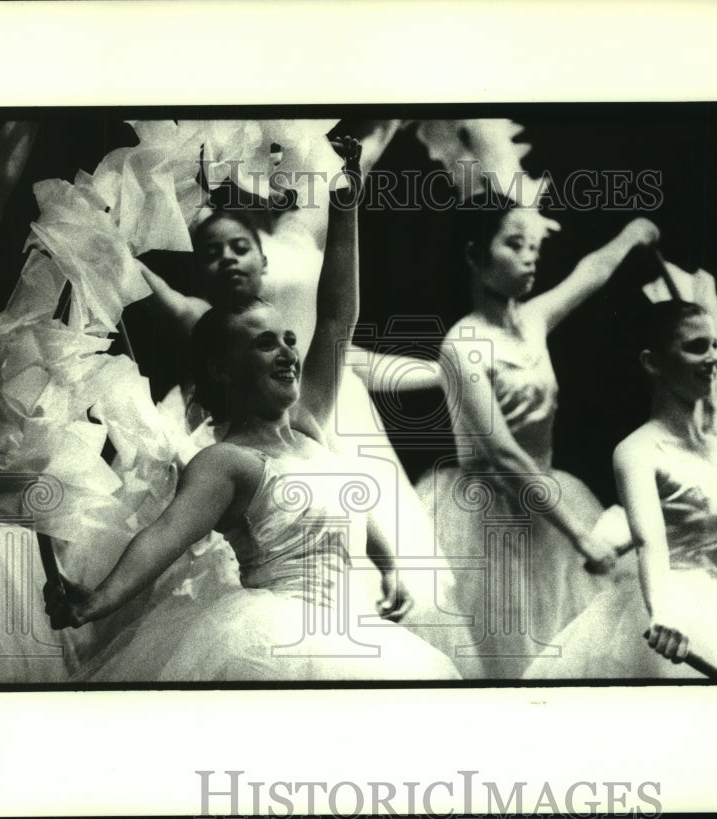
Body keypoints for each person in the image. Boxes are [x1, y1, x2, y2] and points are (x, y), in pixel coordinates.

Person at [43, 138, 460, 681]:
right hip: (272, 644)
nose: (288, 351)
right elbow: (165, 536)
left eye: (287, 339)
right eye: (265, 345)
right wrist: (95, 601)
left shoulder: (310, 422)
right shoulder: (225, 462)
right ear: (222, 369)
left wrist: (346, 197)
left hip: (357, 633)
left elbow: (337, 316)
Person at [414, 193, 661, 678]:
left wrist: (633, 233)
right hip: (489, 519)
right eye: (514, 244)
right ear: (473, 255)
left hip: (546, 499)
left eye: (533, 245)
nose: (530, 256)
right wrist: (579, 533)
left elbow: (592, 272)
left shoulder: (532, 319)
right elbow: (503, 453)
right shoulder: (462, 346)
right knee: (508, 658)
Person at [524, 300, 717, 679]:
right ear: (653, 362)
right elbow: (650, 543)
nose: (712, 357)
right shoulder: (637, 451)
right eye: (696, 346)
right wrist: (663, 613)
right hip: (678, 613)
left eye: (714, 345)